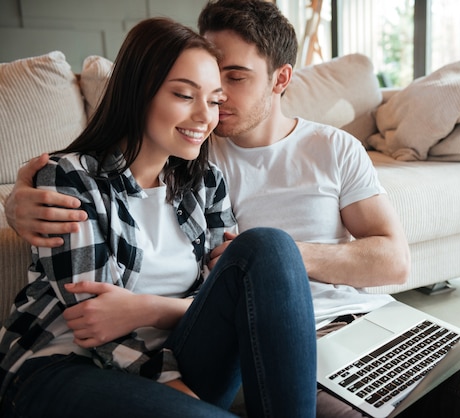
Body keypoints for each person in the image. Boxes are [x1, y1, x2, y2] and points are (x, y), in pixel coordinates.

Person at [5, 1, 460, 417]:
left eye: (228, 83)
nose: (214, 108)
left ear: (280, 78)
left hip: (369, 321)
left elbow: (392, 262)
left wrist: (289, 259)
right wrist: (16, 197)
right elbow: (91, 168)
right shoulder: (193, 154)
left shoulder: (309, 152)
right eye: (195, 90)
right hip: (279, 352)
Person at [0, 16, 317, 418]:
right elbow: (96, 327)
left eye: (215, 100)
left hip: (177, 353)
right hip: (66, 365)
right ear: (139, 93)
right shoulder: (70, 179)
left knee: (270, 245)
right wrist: (178, 391)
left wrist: (151, 309)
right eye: (185, 95)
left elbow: (227, 300)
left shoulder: (207, 183)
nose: (206, 116)